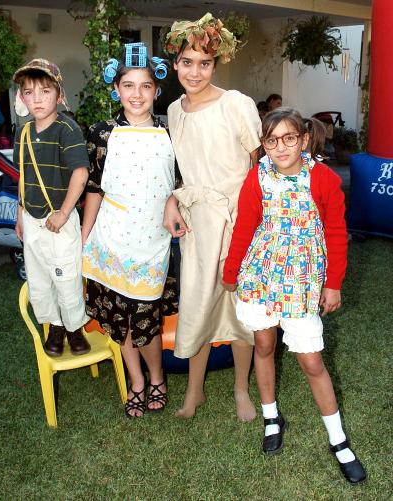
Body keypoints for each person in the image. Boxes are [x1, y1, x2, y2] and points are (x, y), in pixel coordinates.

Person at [222, 107, 366, 484]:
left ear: (303, 140)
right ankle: (271, 416)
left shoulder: (323, 179)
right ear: (264, 145)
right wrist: (232, 269)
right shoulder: (257, 178)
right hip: (260, 276)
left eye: (289, 138)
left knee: (311, 361)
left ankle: (338, 438)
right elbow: (245, 228)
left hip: (302, 281)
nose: (281, 147)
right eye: (272, 140)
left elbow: (336, 233)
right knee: (264, 345)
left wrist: (333, 283)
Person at [163, 13, 262, 421]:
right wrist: (172, 199)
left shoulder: (237, 104)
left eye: (204, 63)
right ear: (175, 64)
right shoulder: (172, 111)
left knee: (240, 308)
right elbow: (183, 170)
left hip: (239, 219)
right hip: (198, 223)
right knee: (198, 303)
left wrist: (255, 223)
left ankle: (242, 389)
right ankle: (195, 391)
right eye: (188, 62)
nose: (195, 71)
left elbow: (259, 169)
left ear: (216, 64)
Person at [81, 43, 178, 418]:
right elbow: (94, 188)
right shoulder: (102, 132)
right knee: (120, 320)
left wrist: (174, 202)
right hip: (112, 238)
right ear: (116, 89)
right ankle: (136, 380)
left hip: (152, 242)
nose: (137, 94)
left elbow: (180, 183)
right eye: (129, 86)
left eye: (145, 86)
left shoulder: (171, 132)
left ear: (156, 91)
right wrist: (87, 238)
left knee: (146, 321)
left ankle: (157, 376)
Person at [13, 59, 90, 357]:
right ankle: (55, 327)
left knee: (66, 276)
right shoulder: (23, 133)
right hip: (32, 219)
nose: (37, 99)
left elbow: (80, 173)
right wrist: (20, 213)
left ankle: (74, 328)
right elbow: (24, 174)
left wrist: (64, 212)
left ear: (59, 94)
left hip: (61, 217)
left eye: (45, 91)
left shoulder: (66, 129)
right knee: (40, 277)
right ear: (22, 97)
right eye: (29, 92)